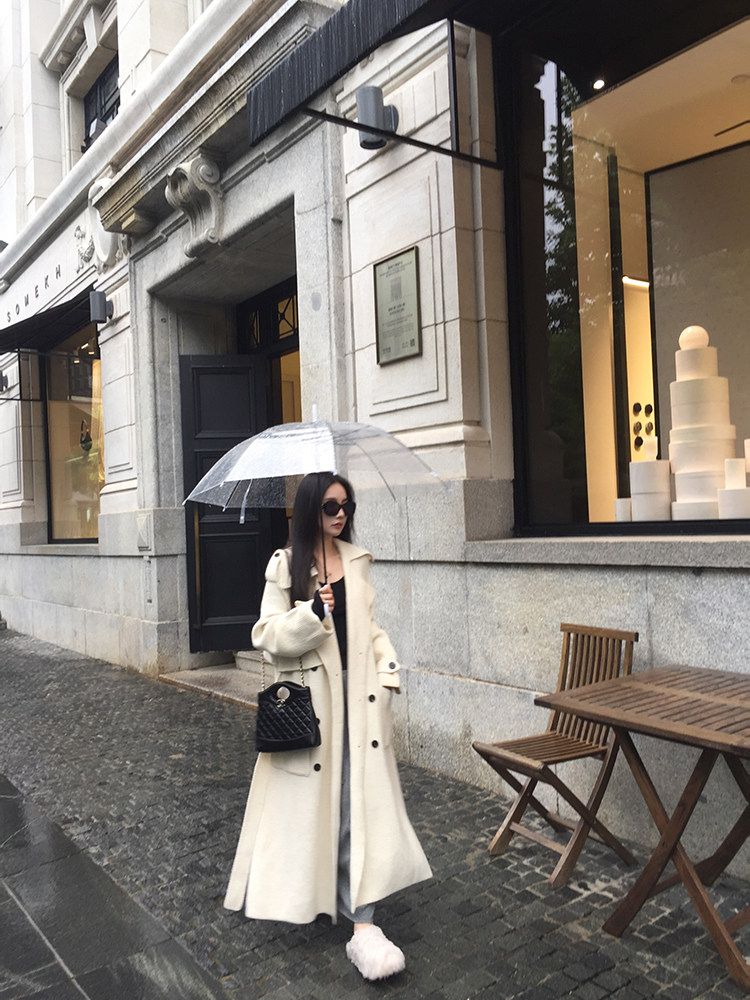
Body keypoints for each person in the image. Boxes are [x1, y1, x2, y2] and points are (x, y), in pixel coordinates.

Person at [224, 471, 432, 981]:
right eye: (331, 507)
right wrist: (313, 611)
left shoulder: (356, 562)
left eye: (347, 506)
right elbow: (265, 637)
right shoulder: (287, 565)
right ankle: (328, 898)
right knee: (327, 811)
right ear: (310, 510)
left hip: (362, 707)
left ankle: (364, 926)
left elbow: (371, 628)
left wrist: (388, 673)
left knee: (360, 808)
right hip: (314, 712)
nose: (341, 515)